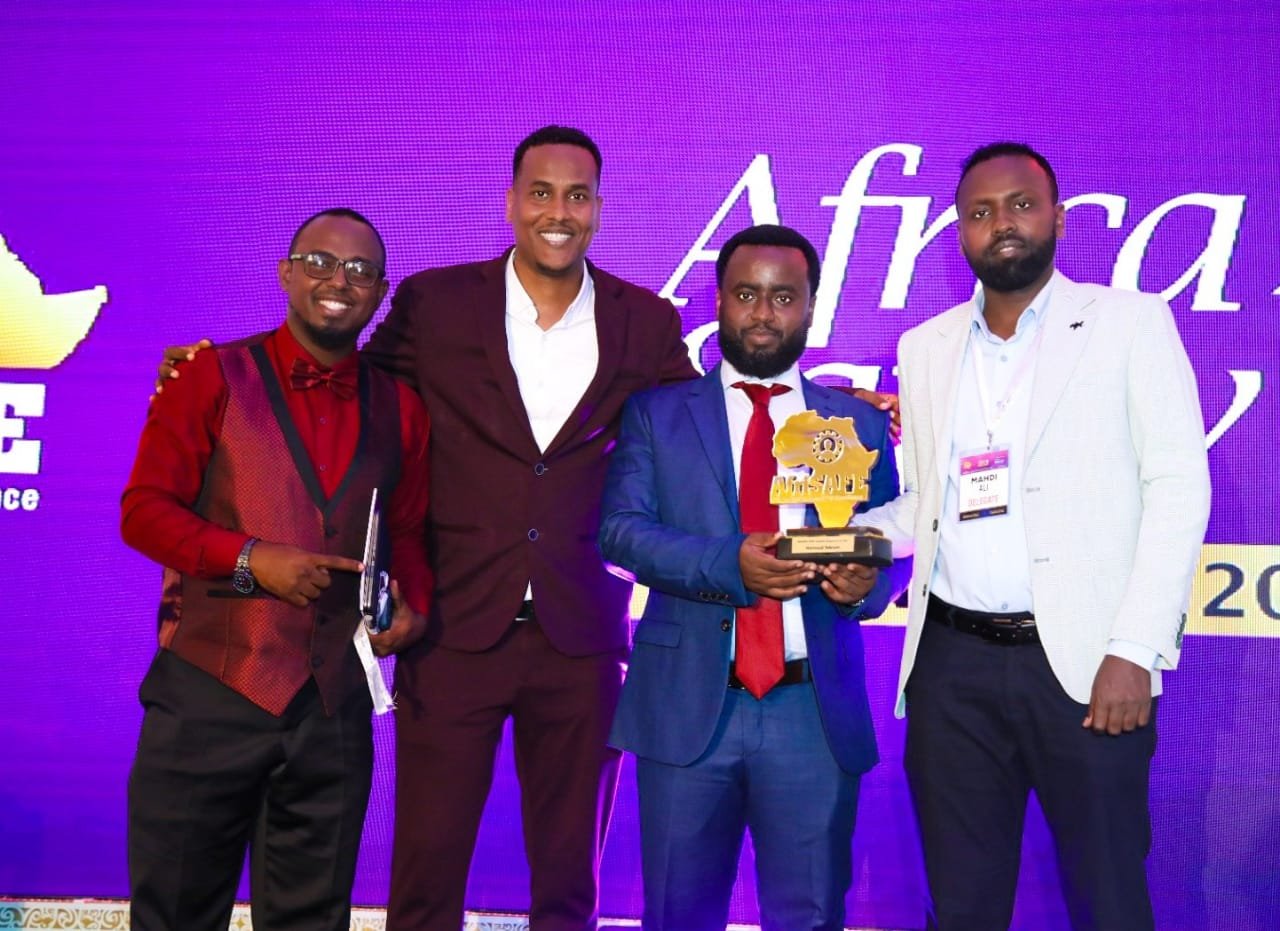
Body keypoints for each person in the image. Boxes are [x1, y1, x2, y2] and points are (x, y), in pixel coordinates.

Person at [154, 127, 900, 930]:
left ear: (599, 209)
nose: (558, 211)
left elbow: (715, 415)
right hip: (453, 628)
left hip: (581, 640)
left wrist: (831, 409)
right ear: (511, 202)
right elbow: (351, 383)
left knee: (569, 883)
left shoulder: (643, 319)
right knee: (426, 871)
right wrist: (231, 368)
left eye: (577, 195)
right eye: (541, 192)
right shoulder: (437, 301)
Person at [859, 143, 1211, 930]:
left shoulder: (1128, 324)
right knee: (962, 905)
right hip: (952, 668)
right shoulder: (925, 347)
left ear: (1058, 217)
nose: (1003, 223)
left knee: (1109, 898)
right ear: (959, 231)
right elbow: (928, 505)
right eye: (980, 212)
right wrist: (839, 541)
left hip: (1088, 666)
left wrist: (1135, 648)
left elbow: (1179, 489)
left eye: (1020, 204)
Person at [122, 208, 432, 931]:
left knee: (311, 920)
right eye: (319, 262)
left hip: (333, 712)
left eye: (359, 270)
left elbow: (408, 532)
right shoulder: (209, 374)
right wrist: (251, 559)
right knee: (174, 914)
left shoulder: (403, 408)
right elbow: (143, 511)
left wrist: (411, 605)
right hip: (207, 694)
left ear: (381, 291)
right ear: (286, 273)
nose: (338, 280)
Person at [598, 224, 910, 931]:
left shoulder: (857, 422)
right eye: (746, 295)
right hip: (687, 708)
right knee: (677, 915)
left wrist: (867, 589)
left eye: (783, 297)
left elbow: (893, 542)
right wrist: (728, 563)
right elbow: (620, 531)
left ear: (811, 306)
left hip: (812, 712)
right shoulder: (657, 414)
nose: (763, 313)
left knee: (810, 916)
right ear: (719, 300)